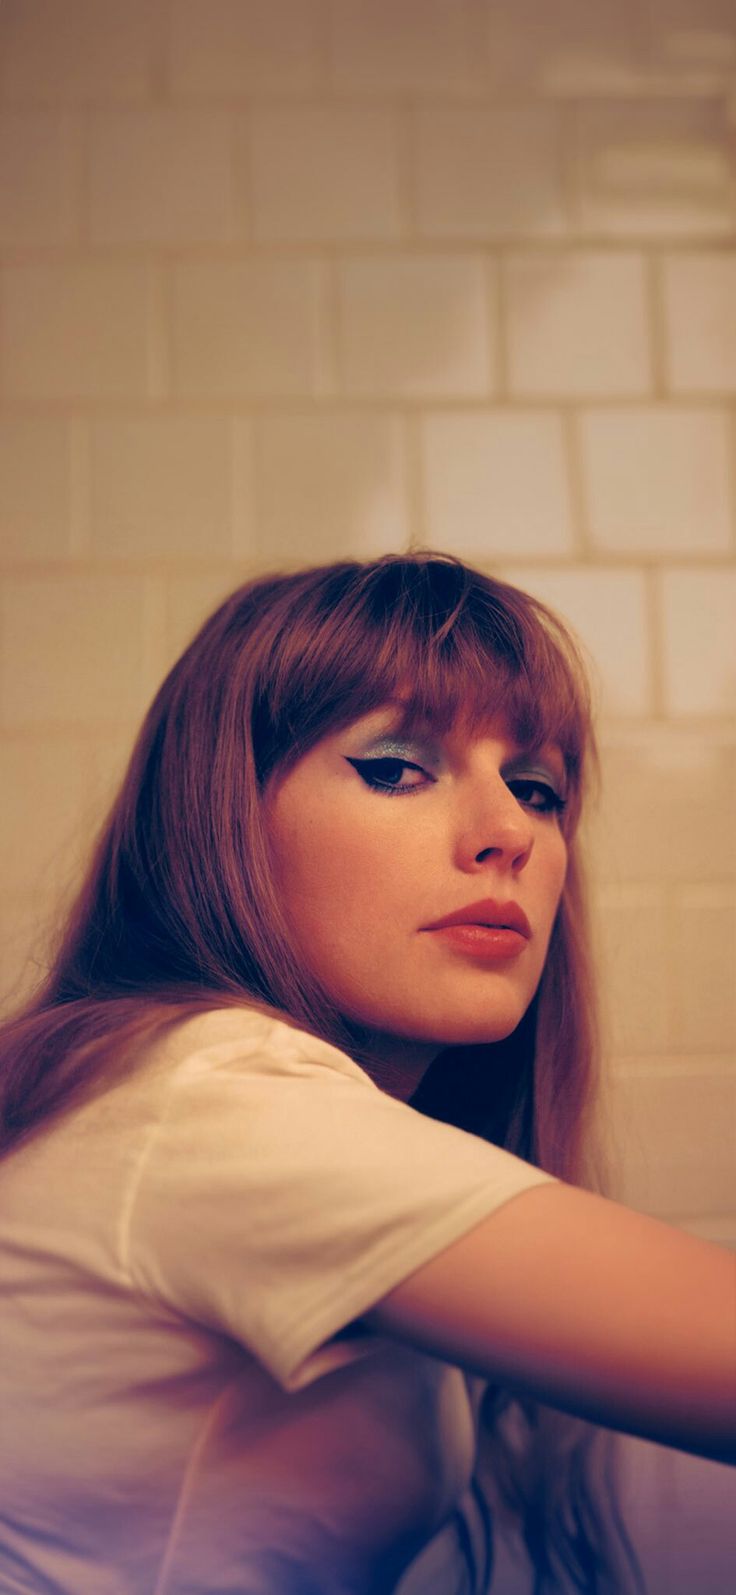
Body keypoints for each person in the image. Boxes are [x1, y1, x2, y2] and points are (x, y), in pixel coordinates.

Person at [0, 552, 732, 1595]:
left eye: (536, 788)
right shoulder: (212, 1099)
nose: (507, 833)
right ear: (225, 819)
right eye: (395, 767)